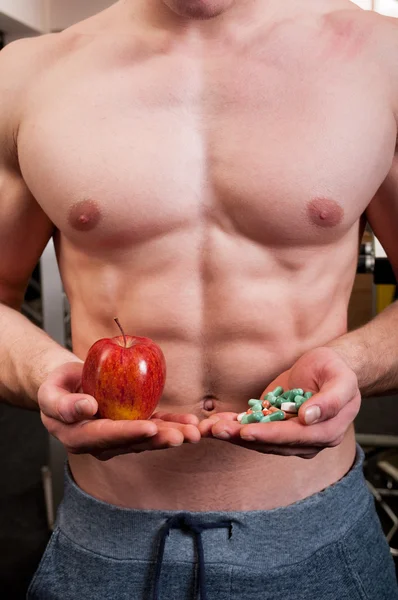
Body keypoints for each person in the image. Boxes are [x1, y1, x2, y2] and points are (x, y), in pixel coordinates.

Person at [1, 0, 398, 597]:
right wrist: (45, 374)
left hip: (317, 538)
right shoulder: (28, 74)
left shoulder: (381, 60)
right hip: (106, 542)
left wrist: (356, 364)